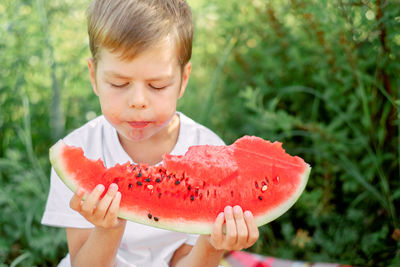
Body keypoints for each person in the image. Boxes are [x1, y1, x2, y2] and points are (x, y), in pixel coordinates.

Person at [41, 0, 259, 266]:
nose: (138, 101)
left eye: (157, 85)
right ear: (93, 76)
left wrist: (213, 244)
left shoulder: (210, 152)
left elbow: (184, 261)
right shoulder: (80, 148)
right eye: (119, 83)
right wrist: (108, 229)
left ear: (183, 81)